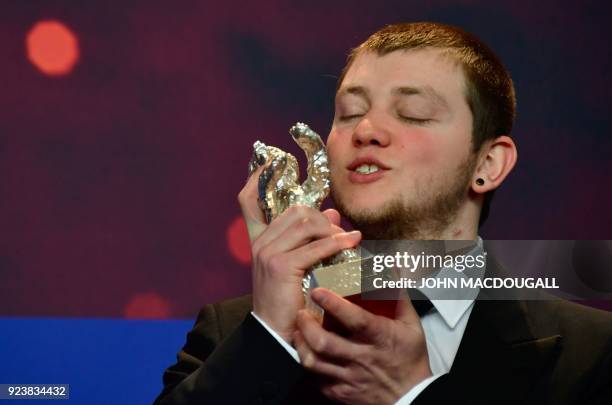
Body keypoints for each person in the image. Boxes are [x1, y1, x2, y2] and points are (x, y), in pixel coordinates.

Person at [154, 22, 612, 404]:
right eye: (349, 113)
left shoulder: (592, 351)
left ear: (487, 164)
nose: (367, 130)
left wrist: (411, 395)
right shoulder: (237, 331)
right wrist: (272, 336)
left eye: (412, 114)